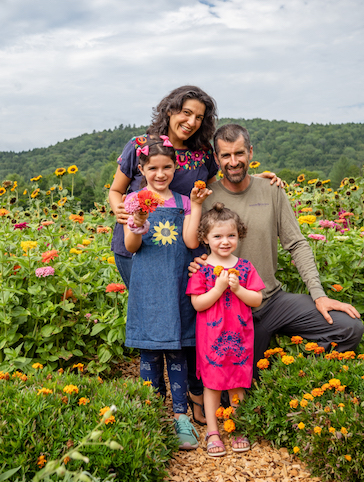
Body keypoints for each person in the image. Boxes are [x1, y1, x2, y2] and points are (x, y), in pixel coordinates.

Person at [108, 86, 282, 427]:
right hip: (137, 246)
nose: (190, 121)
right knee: (154, 320)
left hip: (183, 249)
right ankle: (155, 402)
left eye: (199, 117)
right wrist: (124, 212)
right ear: (170, 110)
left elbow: (220, 185)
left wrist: (257, 178)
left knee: (187, 317)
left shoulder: (202, 154)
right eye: (185, 112)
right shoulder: (139, 146)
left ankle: (193, 391)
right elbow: (116, 189)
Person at [193, 123, 364, 382]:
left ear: (250, 152)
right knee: (241, 384)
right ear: (216, 158)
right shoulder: (206, 198)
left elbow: (296, 243)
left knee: (349, 328)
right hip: (232, 310)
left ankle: (295, 373)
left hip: (273, 301)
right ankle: (262, 374)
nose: (233, 161)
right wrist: (196, 262)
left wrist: (319, 296)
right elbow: (193, 246)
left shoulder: (272, 189)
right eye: (226, 155)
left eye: (239, 153)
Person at [123, 136, 211, 450]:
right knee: (148, 352)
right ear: (142, 169)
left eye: (167, 167)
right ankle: (151, 414)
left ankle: (180, 416)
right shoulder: (134, 200)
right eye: (153, 168)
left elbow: (190, 242)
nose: (160, 174)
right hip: (147, 285)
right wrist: (138, 220)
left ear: (174, 167)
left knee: (176, 349)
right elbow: (132, 246)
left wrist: (198, 205)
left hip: (176, 285)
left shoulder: (183, 201)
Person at [187, 203, 265, 457]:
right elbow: (198, 304)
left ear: (239, 235)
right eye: (217, 236)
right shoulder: (202, 269)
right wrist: (219, 288)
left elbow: (257, 300)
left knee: (237, 383)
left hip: (240, 337)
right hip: (211, 339)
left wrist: (239, 289)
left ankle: (238, 427)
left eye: (231, 235)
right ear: (205, 239)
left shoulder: (244, 267)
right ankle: (213, 432)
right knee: (212, 383)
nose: (225, 241)